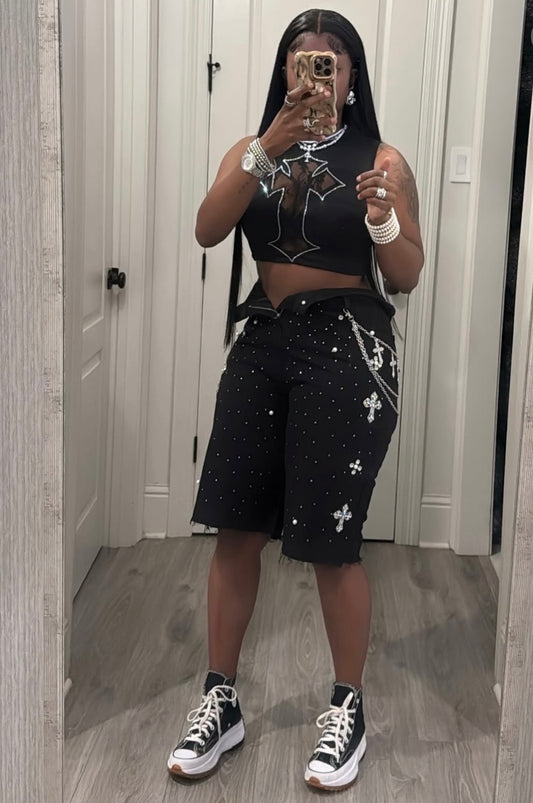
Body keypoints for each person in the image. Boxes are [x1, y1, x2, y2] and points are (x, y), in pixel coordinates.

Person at [167, 8, 424, 792]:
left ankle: (347, 709)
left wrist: (381, 220)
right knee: (235, 524)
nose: (316, 69)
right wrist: (265, 147)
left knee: (329, 539)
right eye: (301, 57)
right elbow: (207, 229)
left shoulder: (382, 159)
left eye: (331, 58)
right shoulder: (250, 151)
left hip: (347, 344)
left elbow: (407, 274)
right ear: (284, 72)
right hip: (264, 341)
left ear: (351, 77)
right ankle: (220, 699)